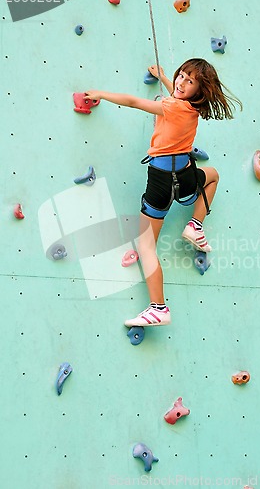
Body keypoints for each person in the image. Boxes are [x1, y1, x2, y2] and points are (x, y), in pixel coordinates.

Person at [84, 58, 242, 328]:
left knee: (146, 247)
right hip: (185, 175)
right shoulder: (192, 109)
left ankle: (158, 308)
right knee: (213, 175)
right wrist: (167, 77)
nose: (181, 82)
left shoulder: (171, 106)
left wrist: (100, 94)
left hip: (160, 181)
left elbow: (134, 102)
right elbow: (177, 97)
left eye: (189, 81)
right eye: (182, 75)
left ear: (198, 90)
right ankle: (195, 225)